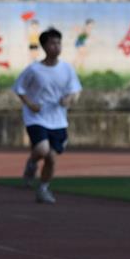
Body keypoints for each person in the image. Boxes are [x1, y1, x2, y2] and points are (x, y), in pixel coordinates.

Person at [13, 28, 82, 204]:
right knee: (44, 150)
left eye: (58, 42)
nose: (56, 46)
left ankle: (43, 188)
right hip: (36, 117)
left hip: (58, 120)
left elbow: (75, 90)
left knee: (51, 157)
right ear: (44, 46)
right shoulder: (34, 69)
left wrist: (69, 99)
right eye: (52, 43)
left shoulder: (67, 69)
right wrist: (30, 104)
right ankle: (32, 164)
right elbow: (19, 89)